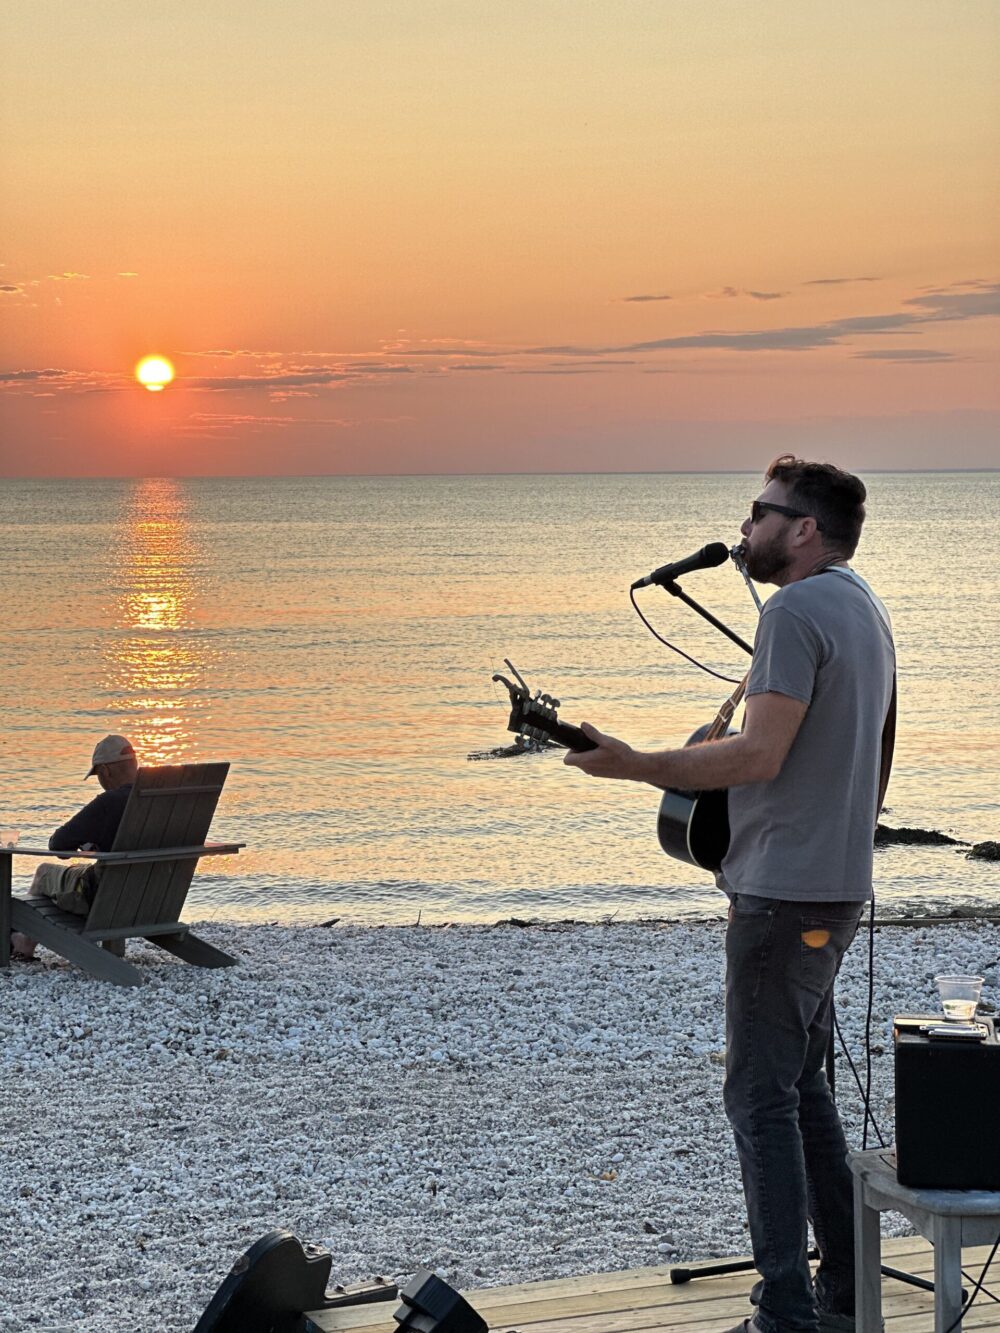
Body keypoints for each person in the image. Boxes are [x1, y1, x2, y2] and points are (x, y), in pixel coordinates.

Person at [564, 456, 896, 1333]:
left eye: (762, 512)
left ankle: (785, 1311)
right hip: (834, 887)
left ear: (804, 530)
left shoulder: (793, 609)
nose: (746, 527)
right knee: (805, 1091)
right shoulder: (861, 605)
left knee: (758, 1095)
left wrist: (632, 763)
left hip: (784, 896)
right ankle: (842, 1298)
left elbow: (759, 756)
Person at [10, 734, 139, 959]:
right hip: (149, 903)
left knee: (43, 873)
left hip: (104, 900)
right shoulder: (169, 799)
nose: (100, 780)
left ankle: (23, 944)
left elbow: (58, 843)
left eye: (98, 774)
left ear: (106, 770)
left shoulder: (109, 802)